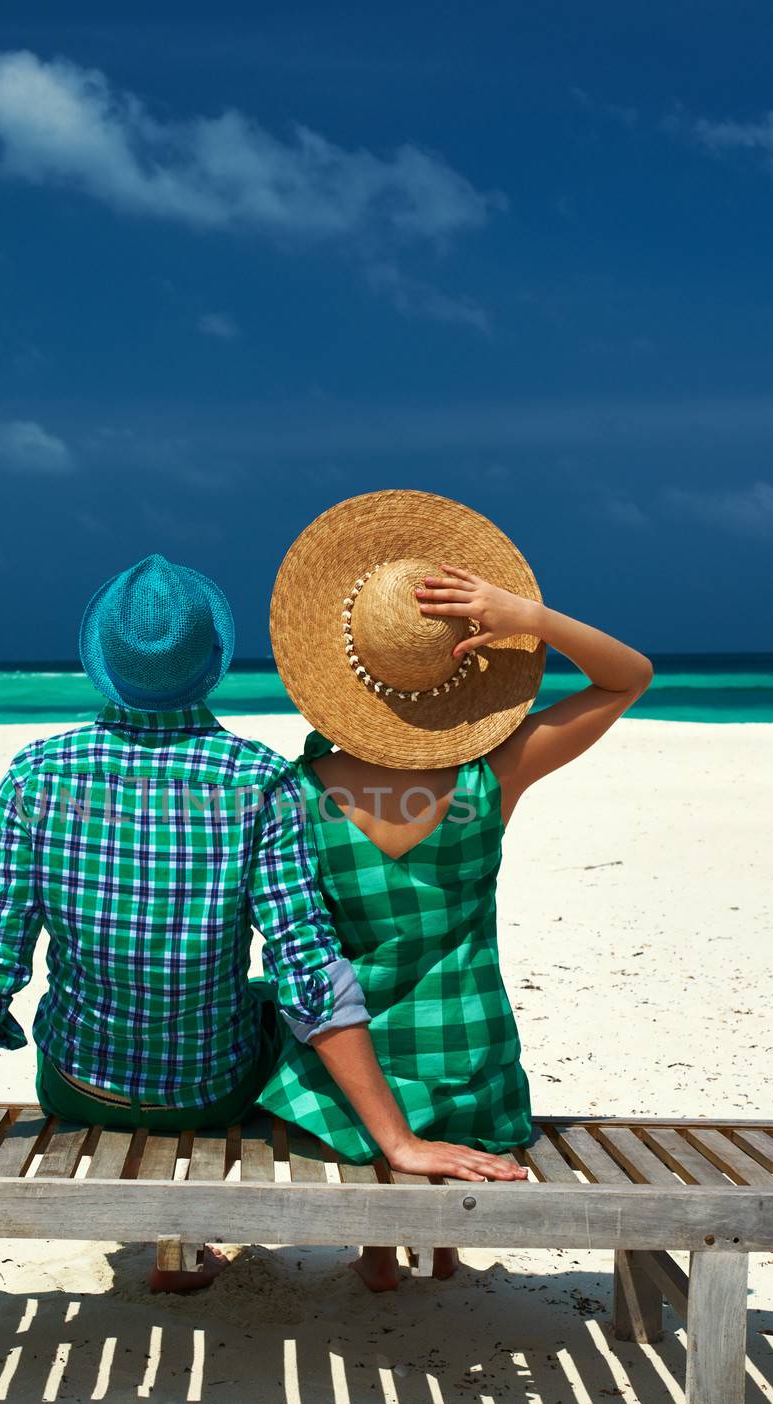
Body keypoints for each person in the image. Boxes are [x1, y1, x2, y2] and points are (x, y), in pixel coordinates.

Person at [0, 552, 521, 1289]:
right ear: (215, 665)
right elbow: (308, 970)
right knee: (271, 1005)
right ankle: (372, 1241)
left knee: (211, 1001)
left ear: (103, 660)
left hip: (76, 1083)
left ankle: (182, 1247)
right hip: (210, 1092)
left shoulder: (40, 774)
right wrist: (397, 1141)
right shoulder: (256, 780)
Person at [261, 490, 653, 1290]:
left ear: (344, 672)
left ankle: (378, 1245)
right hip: (472, 1076)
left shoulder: (294, 795)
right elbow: (627, 678)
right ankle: (438, 1244)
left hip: (336, 1093)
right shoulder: (490, 779)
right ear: (461, 670)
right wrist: (531, 618)